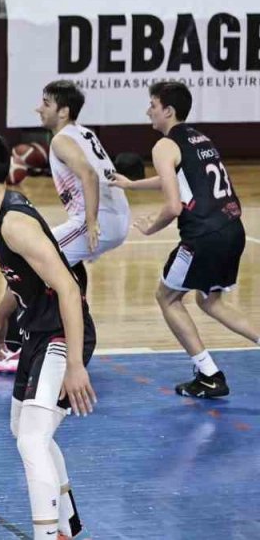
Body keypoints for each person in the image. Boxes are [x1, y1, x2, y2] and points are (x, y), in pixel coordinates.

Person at [0, 130, 96, 540]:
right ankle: (67, 525)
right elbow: (22, 278)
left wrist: (74, 364)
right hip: (37, 331)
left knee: (32, 441)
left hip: (61, 335)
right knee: (25, 431)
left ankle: (48, 535)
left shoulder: (14, 223)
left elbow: (68, 287)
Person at [0, 80, 129, 374]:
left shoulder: (61, 140)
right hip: (114, 217)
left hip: (99, 220)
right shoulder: (83, 133)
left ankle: (13, 346)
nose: (38, 108)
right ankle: (49, 341)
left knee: (26, 264)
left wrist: (92, 221)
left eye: (46, 103)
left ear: (64, 111)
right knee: (60, 269)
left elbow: (89, 176)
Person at [113, 81, 257, 399]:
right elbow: (179, 176)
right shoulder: (199, 137)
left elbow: (173, 205)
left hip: (204, 235)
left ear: (168, 110)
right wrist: (133, 185)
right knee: (210, 301)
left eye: (152, 104)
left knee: (167, 298)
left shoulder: (164, 145)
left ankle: (209, 375)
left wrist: (152, 226)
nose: (148, 110)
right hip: (233, 228)